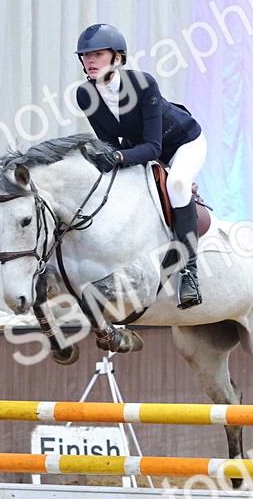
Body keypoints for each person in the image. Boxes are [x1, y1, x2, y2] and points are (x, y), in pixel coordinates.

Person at [74, 23, 206, 309]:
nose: (90, 60)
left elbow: (154, 148)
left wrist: (120, 158)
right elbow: (110, 143)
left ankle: (189, 273)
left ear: (118, 58)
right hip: (141, 148)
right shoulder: (85, 94)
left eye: (97, 54)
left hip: (183, 143)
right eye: (85, 55)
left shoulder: (143, 84)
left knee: (178, 184)